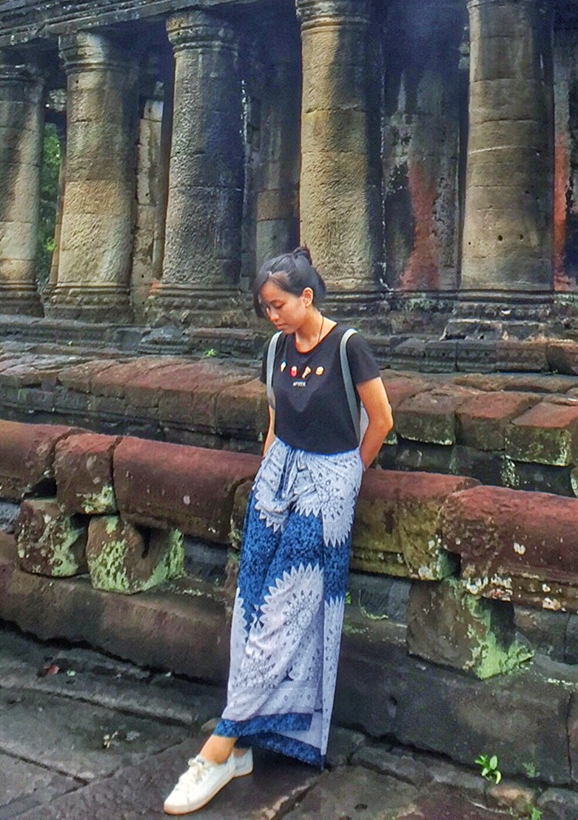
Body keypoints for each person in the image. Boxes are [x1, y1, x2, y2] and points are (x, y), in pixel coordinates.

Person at [163, 245, 394, 815]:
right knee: (250, 606)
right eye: (266, 308)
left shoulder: (349, 346)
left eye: (279, 305)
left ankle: (217, 749)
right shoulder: (275, 349)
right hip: (276, 481)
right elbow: (274, 419)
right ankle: (243, 743)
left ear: (306, 297)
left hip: (326, 488)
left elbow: (382, 420)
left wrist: (348, 474)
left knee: (287, 612)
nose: (273, 316)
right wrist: (269, 472)